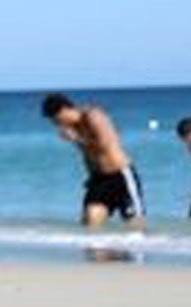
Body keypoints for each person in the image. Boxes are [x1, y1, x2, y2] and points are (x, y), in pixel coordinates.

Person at [40, 93, 144, 228]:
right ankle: (103, 249)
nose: (56, 124)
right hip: (99, 180)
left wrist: (76, 139)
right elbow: (88, 153)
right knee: (89, 224)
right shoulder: (73, 127)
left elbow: (104, 144)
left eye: (56, 120)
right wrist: (91, 175)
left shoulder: (93, 116)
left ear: (64, 111)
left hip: (121, 176)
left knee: (134, 229)